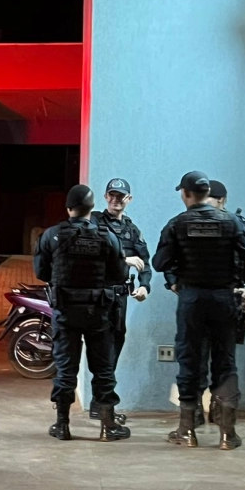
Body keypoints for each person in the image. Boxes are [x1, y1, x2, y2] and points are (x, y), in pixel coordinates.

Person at [152, 171, 245, 451]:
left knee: (190, 361)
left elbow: (160, 262)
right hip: (224, 299)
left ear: (186, 194)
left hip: (191, 300)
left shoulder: (177, 224)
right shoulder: (232, 223)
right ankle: (227, 434)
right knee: (225, 363)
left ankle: (187, 431)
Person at [35, 184, 130, 442]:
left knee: (66, 368)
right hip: (98, 312)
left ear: (69, 209)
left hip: (65, 311)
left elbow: (41, 271)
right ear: (91, 209)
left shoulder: (52, 235)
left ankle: (63, 425)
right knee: (103, 368)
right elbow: (119, 274)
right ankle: (108, 426)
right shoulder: (107, 235)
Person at [196, 180, 245, 424]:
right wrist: (176, 285)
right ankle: (195, 414)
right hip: (198, 303)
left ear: (221, 201)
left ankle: (221, 413)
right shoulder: (191, 223)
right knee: (197, 360)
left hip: (231, 304)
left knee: (224, 360)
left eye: (208, 199)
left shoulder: (241, 227)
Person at [90, 178, 151, 421]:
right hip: (97, 296)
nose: (116, 200)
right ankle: (102, 406)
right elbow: (92, 251)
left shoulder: (132, 229)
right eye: (112, 195)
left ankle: (101, 404)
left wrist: (145, 286)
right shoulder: (94, 222)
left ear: (129, 199)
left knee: (113, 349)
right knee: (101, 351)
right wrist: (123, 260)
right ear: (105, 197)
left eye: (121, 196)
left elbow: (145, 262)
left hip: (120, 297)